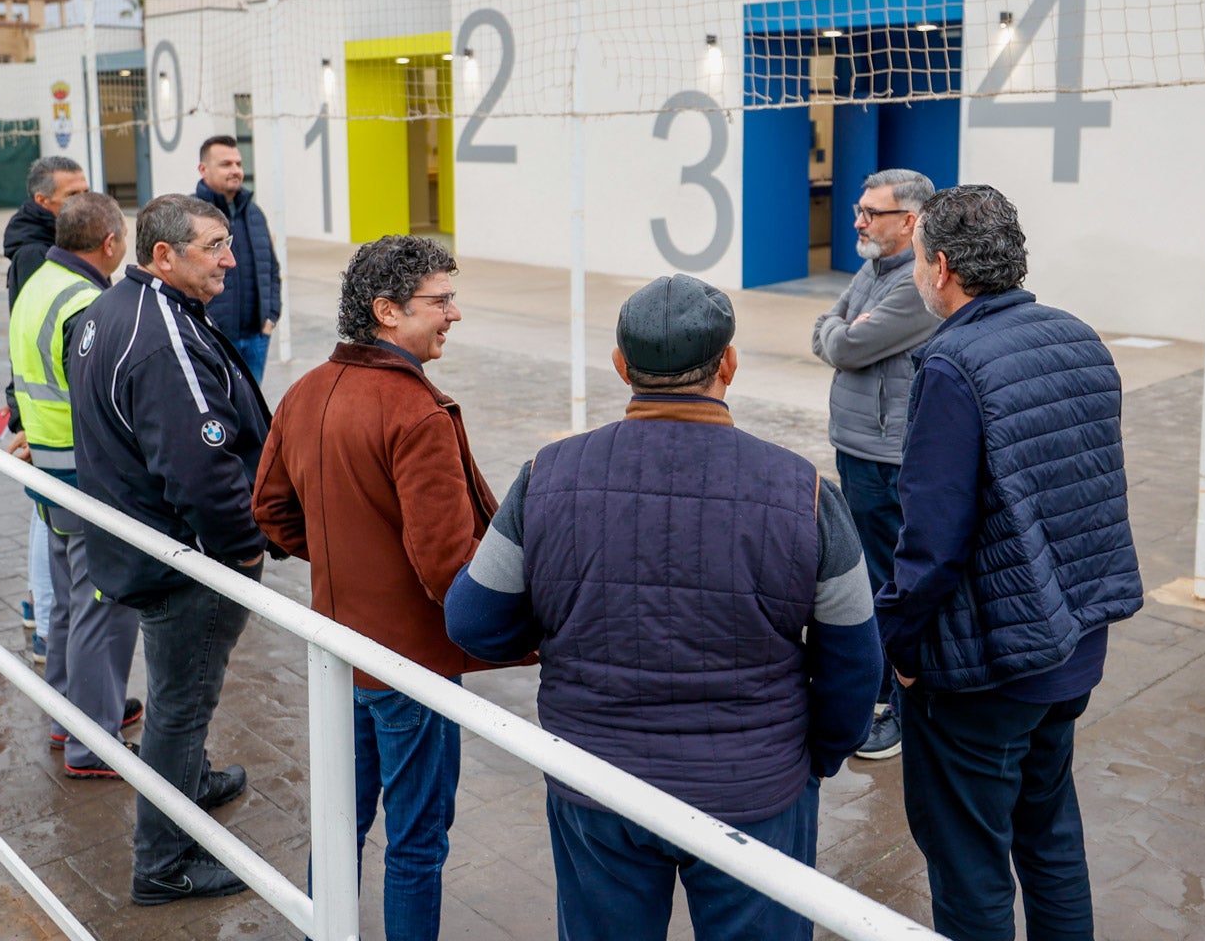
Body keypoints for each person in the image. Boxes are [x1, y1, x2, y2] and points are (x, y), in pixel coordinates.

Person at [445, 274, 880, 941]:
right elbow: (855, 661)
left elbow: (474, 623)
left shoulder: (545, 476)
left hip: (597, 782)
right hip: (756, 792)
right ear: (728, 364)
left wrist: (562, 622)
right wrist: (812, 757)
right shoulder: (807, 492)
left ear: (621, 367)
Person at [874, 185, 1144, 941]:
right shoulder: (1078, 337)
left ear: (943, 268)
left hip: (986, 668)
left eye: (919, 261)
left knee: (970, 863)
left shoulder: (952, 366)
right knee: (1050, 833)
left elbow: (930, 543)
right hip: (1071, 647)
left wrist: (894, 645)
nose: (917, 275)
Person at [252, 235, 495, 940]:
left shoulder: (304, 392)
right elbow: (447, 564)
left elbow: (268, 509)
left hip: (337, 650)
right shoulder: (416, 411)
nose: (455, 314)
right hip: (412, 664)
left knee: (341, 821)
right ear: (387, 312)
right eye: (441, 300)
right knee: (417, 842)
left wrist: (337, 559)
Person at [68, 193, 271, 906]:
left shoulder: (110, 311)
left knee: (179, 695)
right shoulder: (160, 335)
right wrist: (243, 554)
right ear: (162, 255)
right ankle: (164, 863)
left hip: (136, 543)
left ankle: (189, 779)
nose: (230, 258)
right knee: (181, 703)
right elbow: (200, 471)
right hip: (179, 559)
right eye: (214, 245)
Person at [7, 192, 144, 778]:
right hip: (84, 474)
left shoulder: (40, 281)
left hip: (50, 467)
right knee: (101, 606)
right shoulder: (87, 302)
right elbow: (100, 399)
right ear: (110, 243)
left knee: (68, 598)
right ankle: (95, 743)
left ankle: (75, 711)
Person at [811, 168, 938, 760]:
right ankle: (877, 685)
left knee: (886, 581)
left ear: (908, 221)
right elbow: (826, 331)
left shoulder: (914, 282)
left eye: (870, 213)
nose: (857, 221)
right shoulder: (873, 268)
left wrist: (843, 333)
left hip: (887, 457)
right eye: (858, 209)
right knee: (865, 572)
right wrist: (842, 330)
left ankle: (895, 703)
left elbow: (842, 346)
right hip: (856, 446)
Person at [1, 154, 88, 654]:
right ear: (44, 201)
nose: (83, 199)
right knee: (48, 516)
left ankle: (42, 613)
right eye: (72, 194)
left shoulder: (44, 245)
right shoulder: (37, 255)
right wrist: (23, 417)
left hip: (45, 416)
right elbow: (29, 342)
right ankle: (49, 630)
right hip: (50, 421)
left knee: (47, 516)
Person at [192, 135, 281, 381]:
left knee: (251, 411)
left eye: (238, 164)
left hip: (256, 338)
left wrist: (271, 316)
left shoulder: (254, 213)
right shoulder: (189, 215)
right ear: (203, 169)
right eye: (226, 164)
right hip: (213, 338)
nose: (235, 170)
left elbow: (271, 268)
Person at [4, 155, 90, 307]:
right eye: (72, 195)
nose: (85, 202)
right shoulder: (32, 254)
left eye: (86, 192)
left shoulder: (75, 233)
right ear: (42, 200)